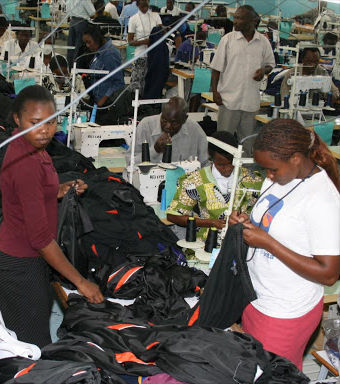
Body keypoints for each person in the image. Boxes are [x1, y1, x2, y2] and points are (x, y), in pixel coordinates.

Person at [0, 85, 104, 348]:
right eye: (35, 122)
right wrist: (80, 282)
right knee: (29, 349)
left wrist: (60, 190)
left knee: (20, 343)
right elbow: (40, 239)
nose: (45, 130)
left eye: (51, 122)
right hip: (20, 268)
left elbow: (30, 195)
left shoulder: (33, 147)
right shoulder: (26, 162)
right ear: (17, 119)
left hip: (23, 260)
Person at [229, 118, 340, 370]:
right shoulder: (279, 177)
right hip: (256, 296)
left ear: (296, 158)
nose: (267, 175)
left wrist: (268, 243)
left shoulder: (323, 201)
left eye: (272, 169)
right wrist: (246, 222)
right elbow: (272, 221)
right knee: (253, 370)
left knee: (273, 375)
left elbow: (329, 273)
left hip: (285, 312)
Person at [167, 131, 263, 240]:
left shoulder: (252, 180)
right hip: (207, 243)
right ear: (210, 155)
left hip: (243, 241)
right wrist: (211, 223)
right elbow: (173, 216)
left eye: (231, 164)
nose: (227, 169)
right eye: (221, 165)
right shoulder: (196, 181)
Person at [210, 5, 275, 143]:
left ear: (252, 20)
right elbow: (216, 69)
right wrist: (215, 92)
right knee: (223, 143)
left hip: (250, 102)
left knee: (247, 144)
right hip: (228, 100)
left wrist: (263, 71)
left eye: (240, 18)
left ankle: (245, 166)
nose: (235, 21)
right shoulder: (227, 40)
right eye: (235, 18)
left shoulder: (263, 42)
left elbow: (270, 64)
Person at [129, 97, 208, 165]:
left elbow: (205, 163)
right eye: (164, 120)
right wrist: (154, 150)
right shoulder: (146, 126)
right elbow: (130, 163)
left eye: (174, 123)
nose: (168, 126)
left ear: (184, 119)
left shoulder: (195, 130)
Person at [82, 24, 124, 107]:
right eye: (86, 43)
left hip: (106, 104)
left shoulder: (110, 55)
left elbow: (118, 82)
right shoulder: (99, 51)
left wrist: (102, 101)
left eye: (89, 42)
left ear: (97, 39)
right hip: (96, 100)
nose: (87, 45)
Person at [128, 0, 161, 97]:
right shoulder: (133, 19)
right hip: (141, 56)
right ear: (137, 5)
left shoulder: (155, 16)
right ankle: (135, 105)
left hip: (154, 56)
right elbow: (130, 41)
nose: (145, 9)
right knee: (137, 85)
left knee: (151, 84)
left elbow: (161, 32)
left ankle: (148, 106)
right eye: (142, 7)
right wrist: (143, 42)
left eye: (147, 6)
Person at [66, 0, 95, 67]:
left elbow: (67, 9)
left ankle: (70, 68)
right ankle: (77, 69)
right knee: (79, 48)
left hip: (72, 22)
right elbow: (92, 12)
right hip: (81, 23)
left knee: (71, 47)